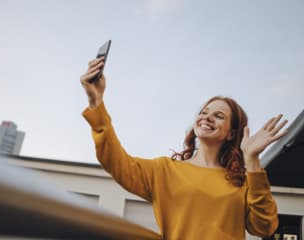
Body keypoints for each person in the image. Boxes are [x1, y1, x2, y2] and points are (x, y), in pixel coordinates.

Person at [80, 57, 288, 240]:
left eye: (218, 116)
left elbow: (264, 227)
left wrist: (251, 159)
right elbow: (114, 160)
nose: (207, 117)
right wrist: (96, 102)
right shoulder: (164, 171)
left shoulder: (242, 181)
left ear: (231, 134)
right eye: (204, 112)